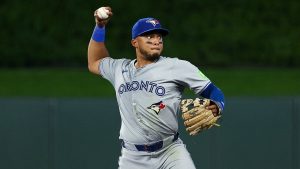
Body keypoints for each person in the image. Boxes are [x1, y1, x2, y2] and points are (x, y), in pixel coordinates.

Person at [87, 6, 225, 169]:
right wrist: (100, 26)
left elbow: (214, 92)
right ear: (134, 42)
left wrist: (217, 106)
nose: (156, 40)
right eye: (149, 36)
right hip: (133, 157)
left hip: (170, 152)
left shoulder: (177, 66)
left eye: (159, 36)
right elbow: (94, 62)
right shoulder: (119, 68)